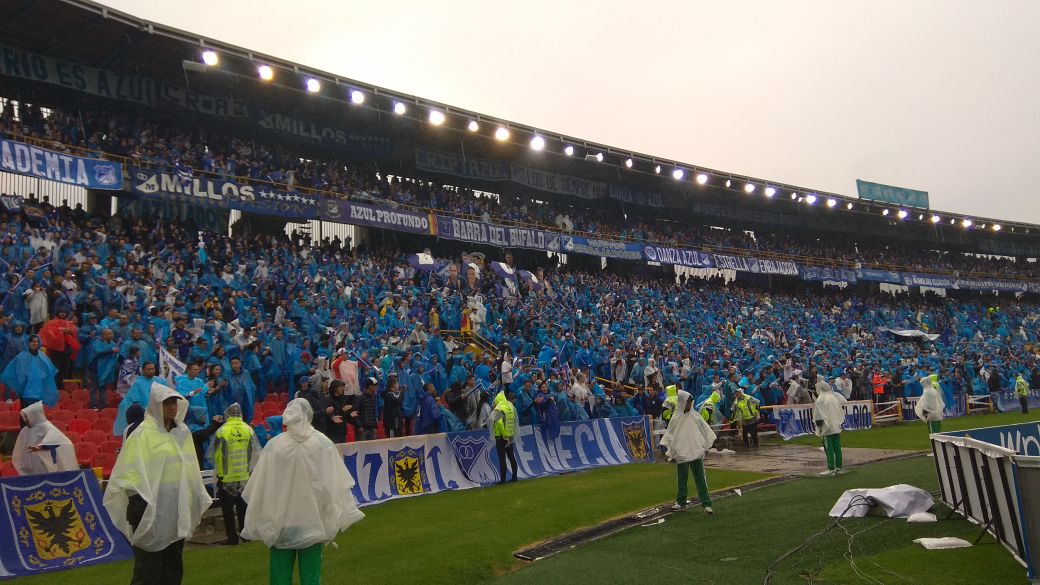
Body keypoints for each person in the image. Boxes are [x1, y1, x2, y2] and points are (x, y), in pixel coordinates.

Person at [242, 398, 365, 585]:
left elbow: (261, 485)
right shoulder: (322, 443)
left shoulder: (275, 446)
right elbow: (333, 483)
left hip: (282, 520)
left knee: (280, 576)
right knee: (311, 577)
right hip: (312, 520)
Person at [104, 382, 212, 585]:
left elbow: (189, 468)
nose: (172, 407)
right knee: (149, 571)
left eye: (174, 403)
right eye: (166, 403)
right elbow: (129, 473)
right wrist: (139, 506)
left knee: (173, 568)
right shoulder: (143, 435)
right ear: (156, 405)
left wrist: (192, 496)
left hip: (174, 509)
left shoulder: (182, 433)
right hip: (149, 510)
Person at [209, 403, 260, 546]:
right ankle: (245, 534)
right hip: (243, 475)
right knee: (243, 507)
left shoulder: (222, 431)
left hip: (227, 476)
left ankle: (231, 537)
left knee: (227, 510)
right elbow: (252, 451)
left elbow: (215, 454)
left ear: (228, 415)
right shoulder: (248, 429)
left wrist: (220, 472)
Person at [660, 390, 716, 514]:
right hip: (682, 453)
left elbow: (704, 429)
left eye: (690, 402)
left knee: (700, 478)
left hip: (695, 452)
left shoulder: (695, 416)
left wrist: (703, 444)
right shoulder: (676, 418)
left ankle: (706, 503)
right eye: (688, 402)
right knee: (682, 479)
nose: (689, 404)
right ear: (682, 402)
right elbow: (671, 434)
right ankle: (680, 502)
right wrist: (671, 450)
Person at [12, 401, 78, 475]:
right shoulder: (25, 430)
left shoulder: (46, 427)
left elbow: (60, 441)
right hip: (31, 464)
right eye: (25, 417)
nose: (25, 420)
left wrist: (42, 447)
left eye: (27, 416)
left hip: (45, 462)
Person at [1, 335, 59, 408]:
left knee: (37, 413)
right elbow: (14, 371)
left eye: (36, 341)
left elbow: (50, 371)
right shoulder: (21, 356)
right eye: (32, 341)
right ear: (28, 343)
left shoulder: (43, 356)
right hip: (25, 391)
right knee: (26, 413)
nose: (34, 343)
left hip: (39, 390)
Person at [814, 379, 846, 476]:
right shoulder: (833, 398)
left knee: (829, 448)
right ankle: (839, 466)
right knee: (837, 446)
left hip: (827, 426)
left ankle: (831, 468)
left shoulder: (820, 399)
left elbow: (818, 415)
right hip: (836, 425)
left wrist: (819, 427)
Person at [491, 390, 519, 484]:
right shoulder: (510, 407)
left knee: (502, 458)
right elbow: (514, 421)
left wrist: (504, 435)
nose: (493, 404)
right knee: (511, 456)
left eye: (494, 402)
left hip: (501, 437)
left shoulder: (499, 408)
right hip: (510, 435)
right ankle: (514, 477)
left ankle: (503, 480)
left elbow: (498, 422)